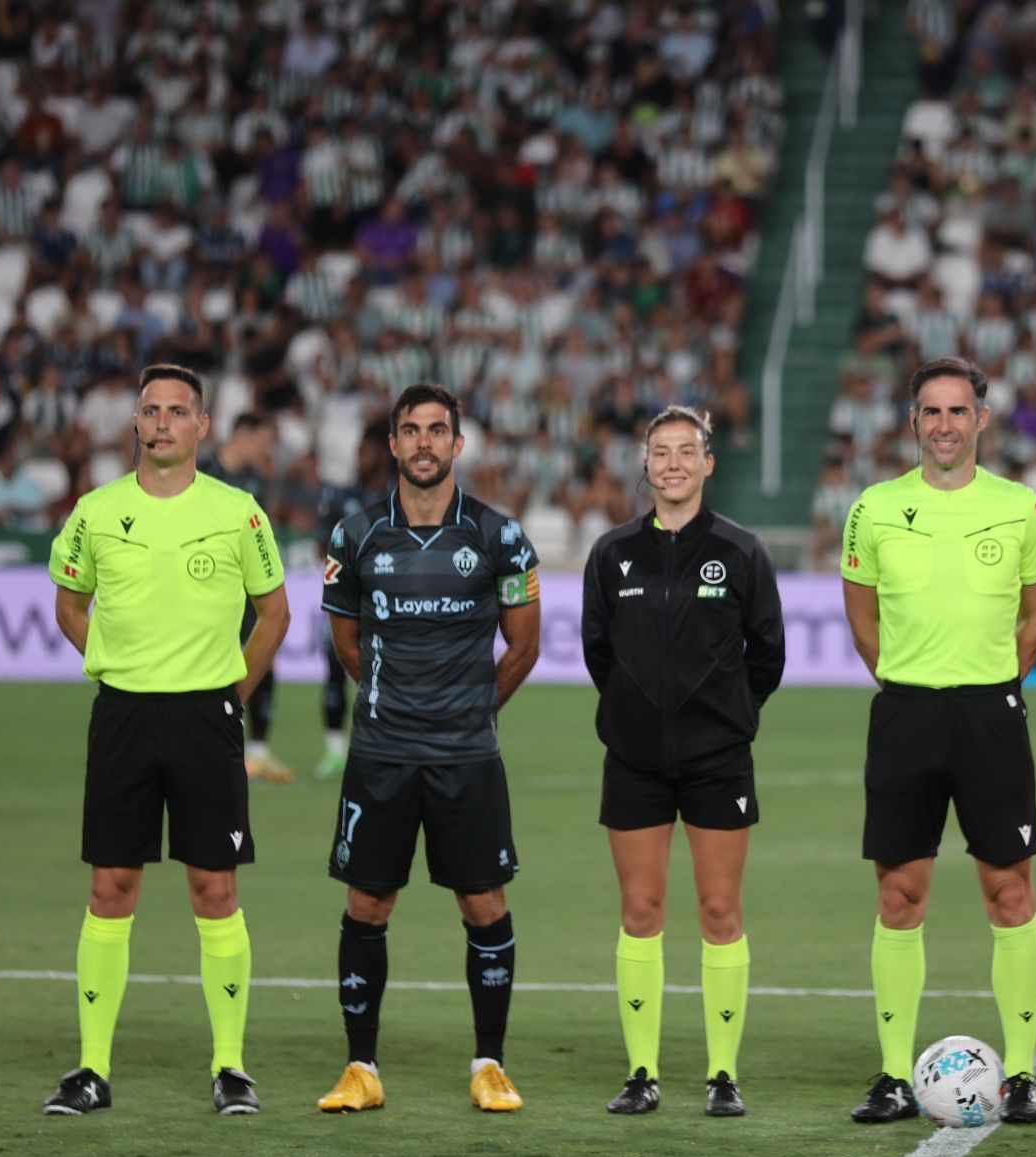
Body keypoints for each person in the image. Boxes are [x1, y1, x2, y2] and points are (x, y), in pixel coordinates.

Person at [42, 363, 290, 1117]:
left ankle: (230, 1067)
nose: (161, 423)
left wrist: (230, 696)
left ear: (202, 427)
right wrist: (114, 665)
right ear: (136, 424)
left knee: (215, 889)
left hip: (205, 720)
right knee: (110, 887)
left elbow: (274, 613)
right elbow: (68, 603)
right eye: (150, 411)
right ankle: (91, 1069)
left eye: (177, 411)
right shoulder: (95, 510)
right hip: (122, 716)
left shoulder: (239, 512)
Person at [839, 356, 1036, 1124]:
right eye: (930, 412)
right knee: (900, 896)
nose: (943, 425)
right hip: (905, 716)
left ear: (982, 420)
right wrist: (906, 678)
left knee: (1010, 891)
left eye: (957, 411)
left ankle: (1024, 1073)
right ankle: (895, 1076)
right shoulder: (872, 507)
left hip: (990, 716)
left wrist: (994, 682)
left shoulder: (1024, 509)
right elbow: (861, 615)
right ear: (912, 422)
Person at [315, 383, 541, 1115]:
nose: (423, 443)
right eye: (410, 430)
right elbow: (346, 643)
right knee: (368, 903)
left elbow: (524, 644)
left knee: (484, 904)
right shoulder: (354, 537)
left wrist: (472, 709)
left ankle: (490, 1065)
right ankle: (361, 1068)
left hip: (466, 757)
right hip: (381, 754)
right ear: (392, 443)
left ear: (457, 444)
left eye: (436, 431)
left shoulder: (500, 536)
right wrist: (391, 701)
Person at [581, 407, 785, 1117]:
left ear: (707, 464)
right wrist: (638, 716)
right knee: (640, 911)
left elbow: (768, 656)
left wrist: (726, 720)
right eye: (659, 452)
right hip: (634, 760)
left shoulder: (740, 551)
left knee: (720, 910)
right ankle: (642, 1072)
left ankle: (722, 1075)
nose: (671, 463)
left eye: (685, 451)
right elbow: (598, 655)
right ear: (645, 465)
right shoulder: (612, 554)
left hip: (717, 761)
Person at [200, 412, 295, 783]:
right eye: (264, 440)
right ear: (244, 435)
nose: (267, 449)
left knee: (263, 658)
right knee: (215, 665)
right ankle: (217, 744)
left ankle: (257, 751)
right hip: (211, 589)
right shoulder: (204, 472)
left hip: (246, 588)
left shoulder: (256, 479)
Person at [312, 423, 391, 782]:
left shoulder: (398, 498)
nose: (361, 458)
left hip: (387, 604)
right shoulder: (342, 497)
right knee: (335, 668)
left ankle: (383, 744)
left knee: (385, 675)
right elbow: (321, 545)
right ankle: (333, 750)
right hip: (347, 600)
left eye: (367, 451)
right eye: (359, 451)